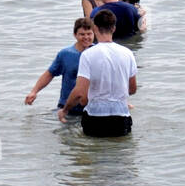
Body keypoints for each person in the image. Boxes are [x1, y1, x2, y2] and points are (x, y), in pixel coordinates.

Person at [59, 9, 137, 137]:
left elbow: (79, 92)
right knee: (119, 154)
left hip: (95, 117)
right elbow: (132, 89)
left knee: (92, 153)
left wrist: (65, 109)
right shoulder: (127, 53)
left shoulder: (88, 55)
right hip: (121, 116)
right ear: (114, 28)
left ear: (95, 28)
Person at [25, 18, 95, 113]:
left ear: (94, 34)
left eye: (89, 34)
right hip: (66, 106)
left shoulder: (99, 54)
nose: (86, 37)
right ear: (75, 35)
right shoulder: (65, 54)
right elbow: (49, 74)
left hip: (91, 107)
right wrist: (34, 92)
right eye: (82, 34)